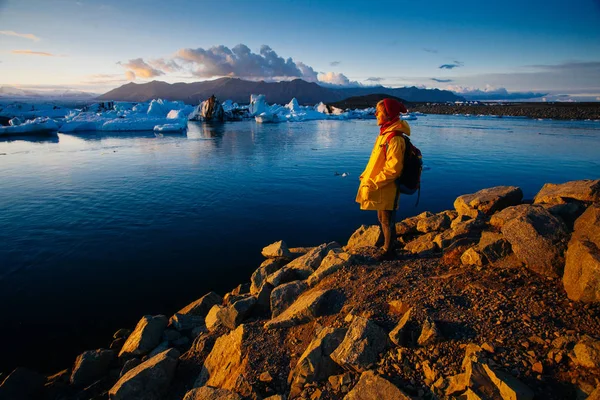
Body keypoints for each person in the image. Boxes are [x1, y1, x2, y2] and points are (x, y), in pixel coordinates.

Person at [356, 98, 411, 260]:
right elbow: (376, 160)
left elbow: (393, 169)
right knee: (382, 217)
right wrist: (366, 174)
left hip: (387, 186)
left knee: (387, 219)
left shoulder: (394, 138)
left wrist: (374, 182)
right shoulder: (385, 134)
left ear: (388, 115)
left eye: (378, 112)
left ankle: (389, 251)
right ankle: (389, 243)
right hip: (381, 186)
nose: (375, 114)